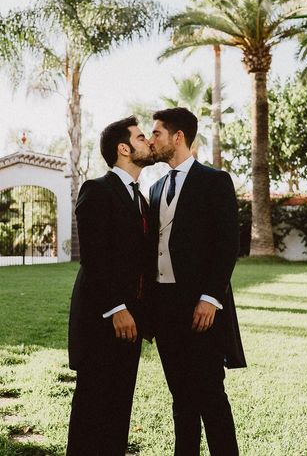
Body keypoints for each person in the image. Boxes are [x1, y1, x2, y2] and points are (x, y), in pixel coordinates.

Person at [146, 107, 245, 456]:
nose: (151, 139)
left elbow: (228, 244)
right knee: (180, 398)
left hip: (200, 306)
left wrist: (210, 298)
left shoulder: (214, 181)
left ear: (178, 137)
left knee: (211, 396)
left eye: (156, 133)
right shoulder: (155, 188)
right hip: (164, 308)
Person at [67, 115, 155, 456]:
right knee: (92, 404)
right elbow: (94, 258)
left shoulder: (141, 199)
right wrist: (116, 308)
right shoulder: (98, 190)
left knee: (120, 405)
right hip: (102, 319)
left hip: (132, 322)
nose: (148, 142)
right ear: (124, 148)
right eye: (141, 136)